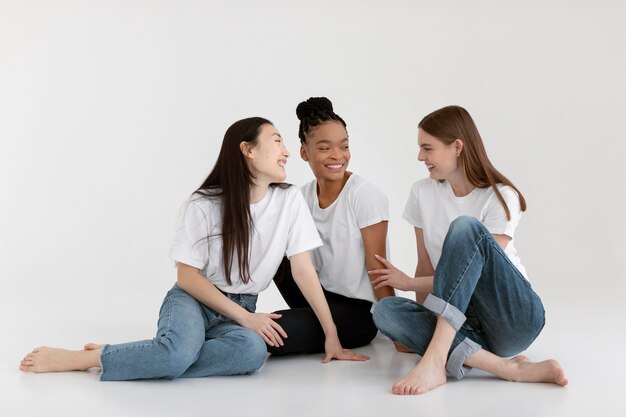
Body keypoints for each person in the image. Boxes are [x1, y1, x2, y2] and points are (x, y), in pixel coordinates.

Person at [19, 117, 367, 380]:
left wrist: (331, 336)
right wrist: (246, 319)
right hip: (194, 300)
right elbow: (186, 277)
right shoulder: (204, 204)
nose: (287, 150)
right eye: (276, 141)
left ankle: (155, 355)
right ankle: (88, 359)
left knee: (251, 353)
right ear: (247, 150)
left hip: (241, 304)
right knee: (176, 354)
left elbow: (302, 270)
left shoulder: (289, 200)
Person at [370, 105, 568, 395]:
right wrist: (415, 324)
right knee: (385, 311)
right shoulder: (421, 193)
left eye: (427, 148)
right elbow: (425, 264)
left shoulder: (500, 197)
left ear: (457, 147)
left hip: (511, 315)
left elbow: (474, 277)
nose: (420, 157)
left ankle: (437, 358)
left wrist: (409, 285)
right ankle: (508, 368)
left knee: (465, 228)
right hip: (463, 320)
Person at [267, 97, 394, 356]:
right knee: (276, 251)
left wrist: (397, 328)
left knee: (271, 333)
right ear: (305, 152)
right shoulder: (300, 197)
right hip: (319, 299)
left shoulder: (363, 195)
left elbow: (378, 270)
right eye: (325, 148)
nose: (338, 155)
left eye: (344, 146)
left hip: (358, 314)